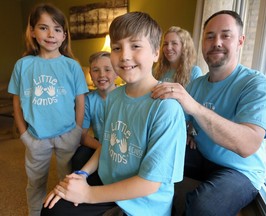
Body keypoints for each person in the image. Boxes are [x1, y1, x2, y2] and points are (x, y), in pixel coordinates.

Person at [41, 11, 186, 216]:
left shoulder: (166, 108)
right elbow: (107, 145)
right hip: (110, 185)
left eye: (135, 46)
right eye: (117, 48)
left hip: (143, 205)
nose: (125, 55)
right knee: (51, 209)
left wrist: (88, 194)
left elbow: (150, 184)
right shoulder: (115, 97)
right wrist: (82, 174)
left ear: (155, 52)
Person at [151, 10, 266, 216]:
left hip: (240, 171)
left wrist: (195, 108)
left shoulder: (257, 84)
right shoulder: (197, 85)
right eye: (210, 36)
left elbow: (248, 145)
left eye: (225, 35)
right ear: (202, 43)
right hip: (202, 156)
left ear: (240, 41)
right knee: (154, 159)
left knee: (204, 207)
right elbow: (173, 124)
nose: (216, 42)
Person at [8, 3, 88, 216]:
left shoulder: (72, 66)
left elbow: (81, 101)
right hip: (36, 137)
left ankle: (66, 212)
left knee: (67, 181)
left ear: (64, 35)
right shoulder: (23, 65)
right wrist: (24, 134)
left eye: (57, 29)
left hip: (67, 134)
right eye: (43, 28)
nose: (51, 34)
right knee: (35, 182)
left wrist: (77, 131)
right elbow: (16, 102)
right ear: (33, 32)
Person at [71, 51, 118, 186]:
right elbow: (81, 135)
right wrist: (101, 147)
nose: (102, 75)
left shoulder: (125, 96)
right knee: (79, 157)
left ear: (116, 73)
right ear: (90, 75)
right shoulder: (87, 100)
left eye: (107, 69)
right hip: (101, 143)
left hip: (121, 145)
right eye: (96, 70)